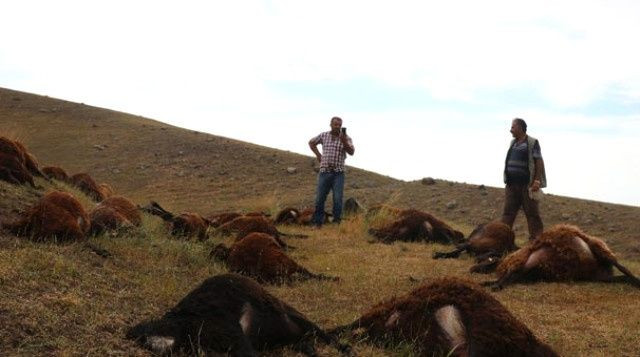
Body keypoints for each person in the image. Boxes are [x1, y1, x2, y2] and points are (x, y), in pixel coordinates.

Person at [501, 118, 547, 240]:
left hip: (527, 186)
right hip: (511, 185)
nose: (510, 130)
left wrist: (536, 180)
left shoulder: (532, 142)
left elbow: (538, 161)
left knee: (532, 215)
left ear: (520, 128)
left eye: (513, 127)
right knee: (507, 214)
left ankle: (536, 242)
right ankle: (500, 239)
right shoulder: (513, 143)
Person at [308, 116, 355, 228]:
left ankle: (336, 222)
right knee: (320, 198)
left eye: (339, 125)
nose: (337, 127)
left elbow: (352, 152)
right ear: (331, 124)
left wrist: (343, 140)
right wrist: (318, 155)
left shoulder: (346, 138)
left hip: (338, 173)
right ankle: (318, 222)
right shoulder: (324, 135)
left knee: (337, 198)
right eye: (335, 124)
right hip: (324, 171)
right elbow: (311, 142)